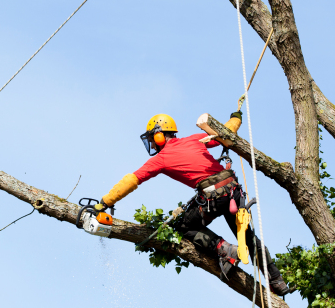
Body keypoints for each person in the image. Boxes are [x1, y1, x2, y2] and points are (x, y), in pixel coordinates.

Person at [96, 113, 293, 296]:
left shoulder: (161, 159)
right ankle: (277, 281)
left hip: (213, 197)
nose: (153, 146)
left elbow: (132, 180)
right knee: (248, 238)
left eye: (152, 140)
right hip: (233, 192)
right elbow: (226, 131)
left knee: (183, 227)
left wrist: (105, 202)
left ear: (159, 136)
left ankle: (225, 249)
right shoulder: (194, 140)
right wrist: (236, 118)